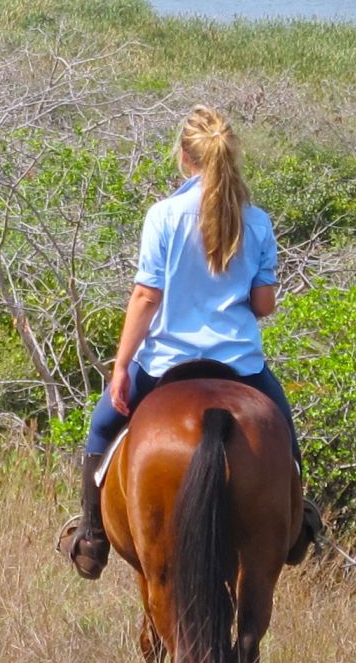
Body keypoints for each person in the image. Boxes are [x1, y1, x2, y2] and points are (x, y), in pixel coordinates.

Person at [60, 106, 323, 579]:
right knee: (285, 431)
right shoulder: (257, 222)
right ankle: (299, 521)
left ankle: (92, 535)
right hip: (240, 366)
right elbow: (264, 305)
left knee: (100, 430)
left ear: (185, 156)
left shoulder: (163, 216)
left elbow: (145, 296)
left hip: (165, 363)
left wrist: (121, 366)